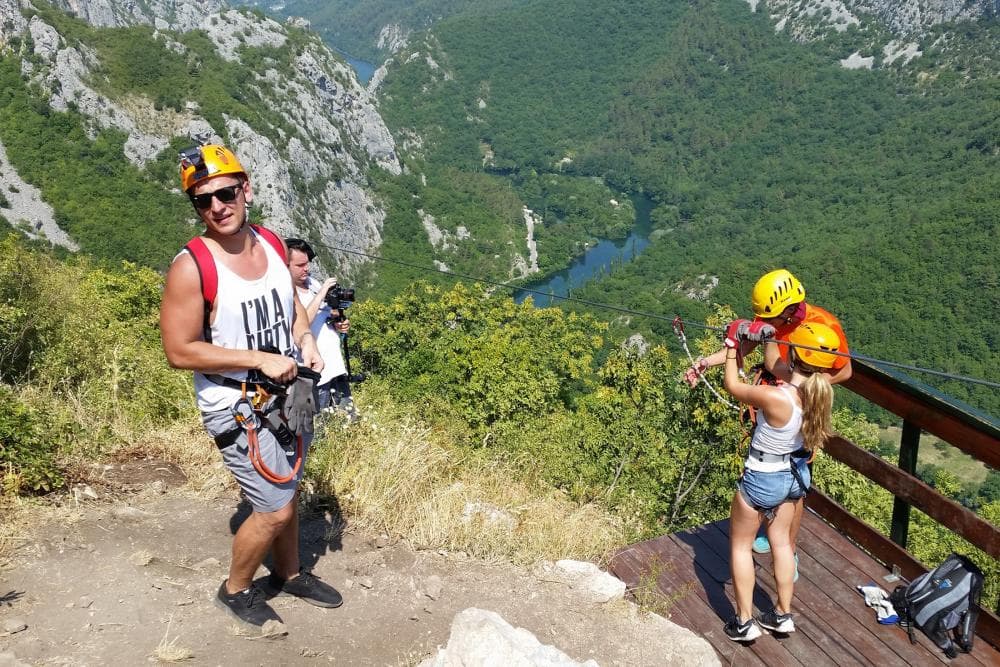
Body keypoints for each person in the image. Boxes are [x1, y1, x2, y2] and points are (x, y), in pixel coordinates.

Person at [160, 143, 342, 629]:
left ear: (246, 190)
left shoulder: (272, 243)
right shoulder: (192, 267)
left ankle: (289, 572)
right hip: (235, 402)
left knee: (289, 490)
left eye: (225, 193)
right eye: (203, 200)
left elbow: (290, 304)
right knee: (274, 510)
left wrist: (305, 338)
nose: (217, 206)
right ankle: (236, 589)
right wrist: (258, 359)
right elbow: (179, 350)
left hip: (288, 391)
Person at [683, 268, 851, 559]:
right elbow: (746, 347)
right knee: (769, 467)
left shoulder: (824, 326)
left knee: (796, 475)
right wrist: (706, 362)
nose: (765, 322)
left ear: (789, 311)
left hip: (801, 408)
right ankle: (773, 531)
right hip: (774, 405)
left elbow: (845, 371)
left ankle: (789, 547)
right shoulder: (773, 317)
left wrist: (804, 388)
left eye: (770, 318)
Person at [719, 320, 838, 641]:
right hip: (793, 476)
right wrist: (771, 334)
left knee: (740, 546)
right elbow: (776, 364)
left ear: (795, 355)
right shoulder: (819, 393)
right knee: (782, 543)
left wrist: (732, 344)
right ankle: (783, 615)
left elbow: (732, 384)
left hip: (763, 476)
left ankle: (744, 622)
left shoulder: (776, 398)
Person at [285, 238, 358, 421]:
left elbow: (326, 312)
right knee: (318, 428)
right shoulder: (286, 292)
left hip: (335, 368)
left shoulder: (312, 283)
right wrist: (322, 293)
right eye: (300, 265)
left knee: (350, 423)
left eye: (307, 263)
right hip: (315, 375)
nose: (306, 269)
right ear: (285, 265)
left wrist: (337, 322)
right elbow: (300, 323)